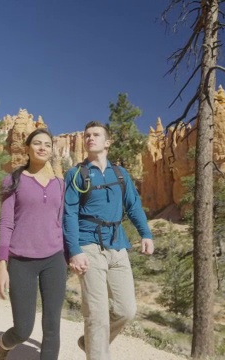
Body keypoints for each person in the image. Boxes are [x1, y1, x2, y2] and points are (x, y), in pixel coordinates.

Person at [63, 121, 154, 360]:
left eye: (96, 135)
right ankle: (97, 352)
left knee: (126, 311)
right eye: (87, 135)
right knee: (97, 314)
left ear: (107, 142)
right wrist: (74, 250)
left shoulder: (120, 174)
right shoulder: (75, 174)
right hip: (88, 245)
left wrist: (146, 233)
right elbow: (69, 213)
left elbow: (133, 206)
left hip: (117, 245)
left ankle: (90, 343)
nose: (90, 138)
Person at [0, 128, 66, 360]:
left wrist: (72, 255)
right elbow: (5, 223)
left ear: (52, 150)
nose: (42, 147)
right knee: (23, 330)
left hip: (54, 259)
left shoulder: (61, 185)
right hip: (21, 260)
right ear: (27, 148)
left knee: (52, 326)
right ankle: (2, 346)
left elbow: (65, 222)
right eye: (37, 143)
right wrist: (1, 264)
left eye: (47, 144)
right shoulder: (13, 180)